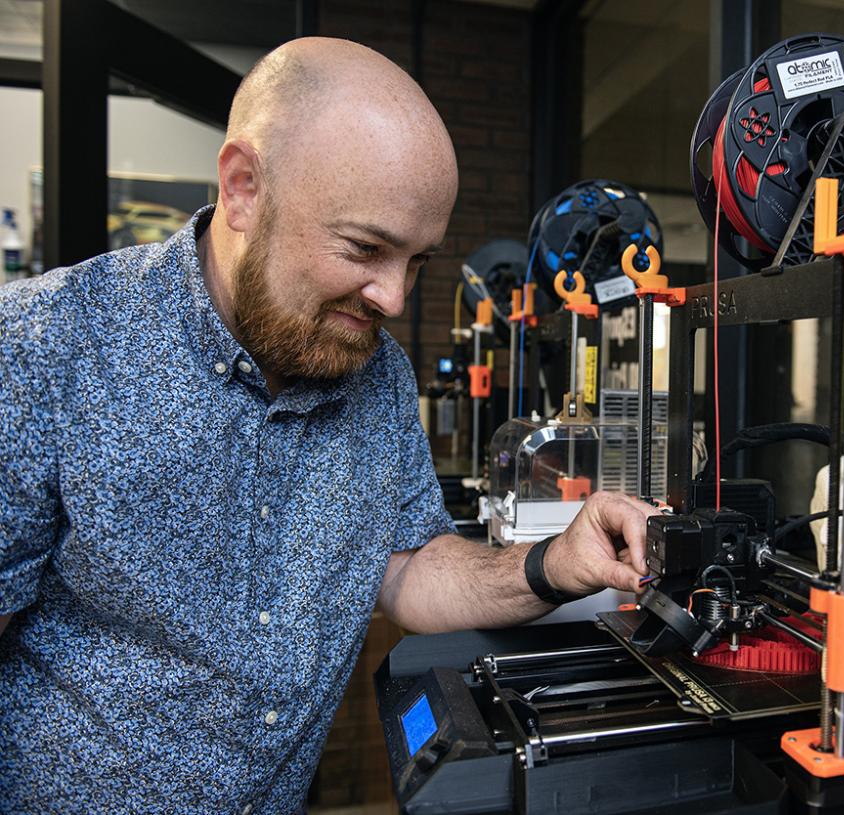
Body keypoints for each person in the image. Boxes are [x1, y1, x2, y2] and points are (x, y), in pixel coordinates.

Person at [0, 38, 656, 814]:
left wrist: (555, 562)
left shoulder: (378, 373)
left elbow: (409, 567)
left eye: (417, 261)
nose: (393, 298)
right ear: (243, 189)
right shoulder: (46, 345)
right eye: (364, 247)